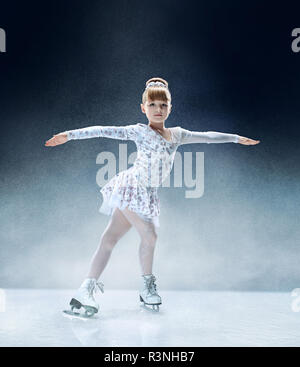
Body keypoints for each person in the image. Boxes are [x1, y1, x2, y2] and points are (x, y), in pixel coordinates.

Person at [45, 77, 260, 315]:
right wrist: (69, 135)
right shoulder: (138, 131)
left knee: (109, 240)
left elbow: (208, 136)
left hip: (146, 195)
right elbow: (102, 130)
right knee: (149, 234)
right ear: (143, 108)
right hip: (130, 187)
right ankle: (146, 287)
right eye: (153, 105)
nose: (158, 110)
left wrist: (236, 138)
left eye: (163, 105)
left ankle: (84, 291)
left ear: (170, 107)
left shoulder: (178, 134)